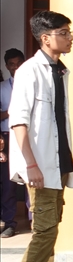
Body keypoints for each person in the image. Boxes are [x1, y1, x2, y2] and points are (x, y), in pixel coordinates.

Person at [1, 12, 73, 262]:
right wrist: (30, 164)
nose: (70, 37)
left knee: (49, 229)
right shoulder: (29, 71)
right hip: (40, 166)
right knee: (44, 232)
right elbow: (18, 121)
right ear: (46, 38)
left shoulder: (59, 70)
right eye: (64, 32)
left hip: (58, 163)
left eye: (69, 32)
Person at [1, 48, 25, 239]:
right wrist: (12, 111)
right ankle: (9, 223)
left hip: (28, 136)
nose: (15, 67)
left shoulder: (32, 83)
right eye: (11, 64)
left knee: (32, 179)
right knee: (8, 183)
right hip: (7, 137)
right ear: (6, 66)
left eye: (18, 63)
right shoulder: (1, 88)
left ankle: (35, 221)